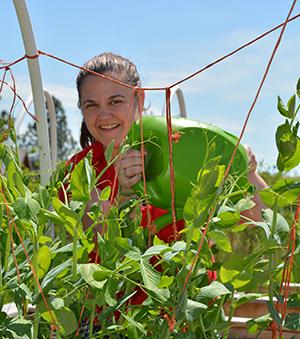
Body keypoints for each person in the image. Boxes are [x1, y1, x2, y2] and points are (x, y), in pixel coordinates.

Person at [64, 52, 267, 248]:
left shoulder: (182, 147)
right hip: (121, 284)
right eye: (91, 105)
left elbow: (263, 219)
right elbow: (94, 242)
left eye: (116, 101)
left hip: (189, 280)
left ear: (140, 99)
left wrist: (246, 171)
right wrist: (124, 194)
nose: (104, 115)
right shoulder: (79, 169)